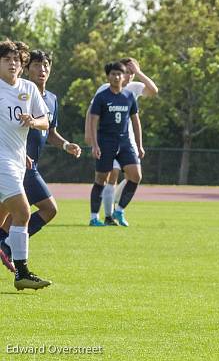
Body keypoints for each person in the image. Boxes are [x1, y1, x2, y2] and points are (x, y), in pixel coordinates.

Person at [0, 50, 82, 274]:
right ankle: (10, 251)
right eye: (36, 65)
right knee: (42, 209)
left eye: (46, 65)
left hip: (24, 163)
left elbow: (50, 131)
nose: (42, 69)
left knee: (10, 211)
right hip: (15, 163)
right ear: (27, 69)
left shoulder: (51, 99)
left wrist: (66, 145)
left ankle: (6, 243)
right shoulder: (17, 90)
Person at [0, 39, 52, 290]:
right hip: (2, 161)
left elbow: (45, 122)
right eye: (7, 59)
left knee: (3, 218)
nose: (12, 64)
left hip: (18, 161)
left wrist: (33, 120)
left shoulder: (29, 89)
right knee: (22, 212)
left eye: (16, 60)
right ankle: (22, 273)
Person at [84, 57, 157, 225]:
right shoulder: (104, 91)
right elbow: (92, 113)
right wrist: (90, 136)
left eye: (130, 73)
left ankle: (118, 212)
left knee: (135, 175)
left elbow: (153, 92)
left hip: (126, 141)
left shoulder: (133, 90)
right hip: (106, 141)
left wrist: (139, 72)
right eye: (126, 72)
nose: (127, 76)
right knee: (108, 177)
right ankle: (102, 217)